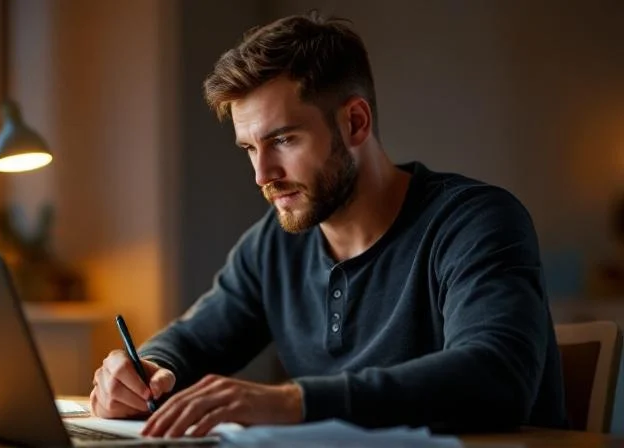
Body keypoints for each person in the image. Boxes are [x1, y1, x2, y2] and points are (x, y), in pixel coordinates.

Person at [89, 12, 567, 436]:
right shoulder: (272, 248)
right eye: (250, 149)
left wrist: (294, 402)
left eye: (283, 140)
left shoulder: (474, 222)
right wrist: (146, 371)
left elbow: (496, 376)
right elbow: (193, 340)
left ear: (355, 123)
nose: (262, 175)